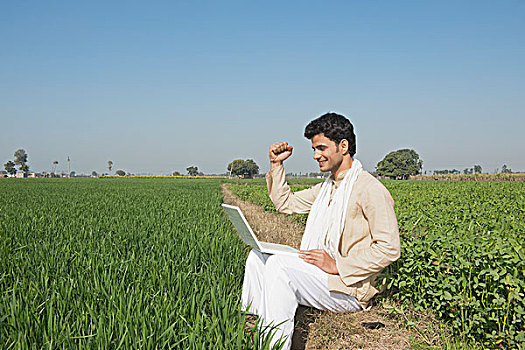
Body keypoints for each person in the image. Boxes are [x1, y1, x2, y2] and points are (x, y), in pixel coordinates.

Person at [241, 112, 401, 349]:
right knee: (257, 257)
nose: (316, 155)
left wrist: (338, 265)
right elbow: (286, 203)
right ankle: (255, 325)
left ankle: (274, 345)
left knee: (279, 266)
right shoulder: (328, 187)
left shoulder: (370, 189)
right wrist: (276, 165)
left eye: (322, 148)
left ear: (343, 146)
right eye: (314, 149)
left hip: (348, 287)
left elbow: (389, 249)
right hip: (322, 275)